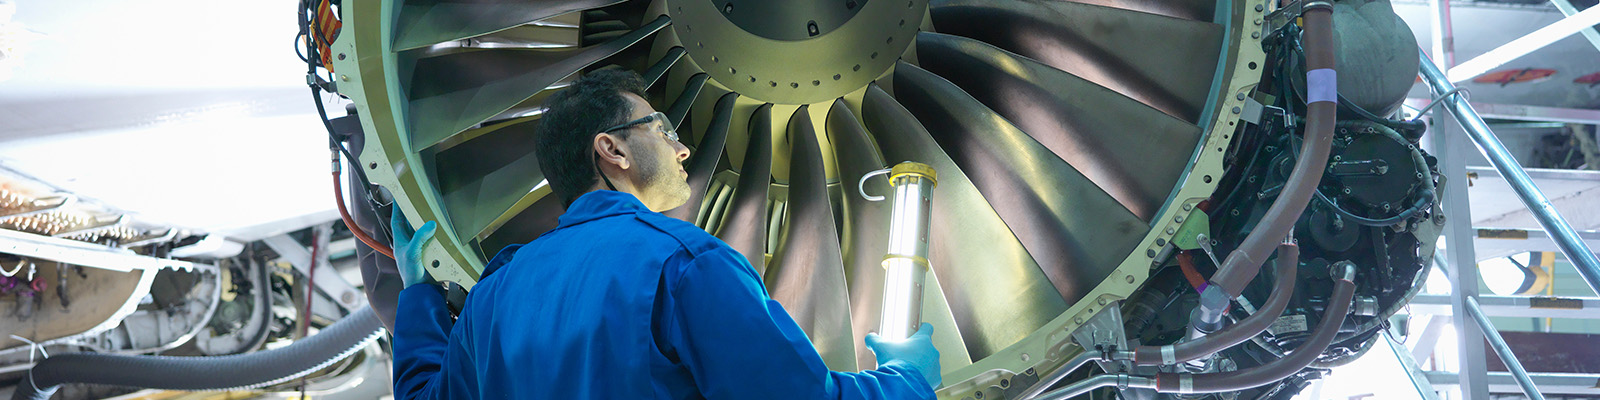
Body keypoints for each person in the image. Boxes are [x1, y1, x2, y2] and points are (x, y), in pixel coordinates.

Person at [389, 69, 942, 399]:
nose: (681, 149)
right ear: (613, 150)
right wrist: (908, 379)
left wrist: (416, 295)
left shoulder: (496, 295)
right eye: (664, 129)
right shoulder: (683, 264)